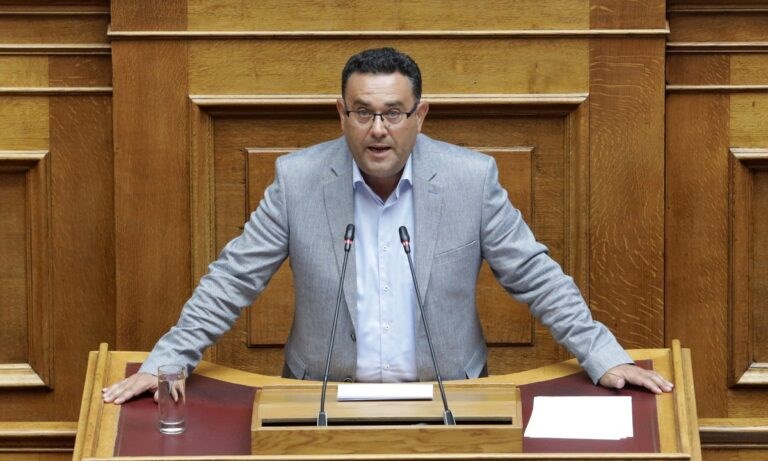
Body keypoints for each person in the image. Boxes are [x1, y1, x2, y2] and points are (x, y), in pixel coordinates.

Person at [103, 47, 673, 404]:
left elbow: (536, 276)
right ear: (342, 114)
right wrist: (169, 360)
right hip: (322, 401)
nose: (378, 129)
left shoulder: (471, 179)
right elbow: (233, 278)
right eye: (363, 112)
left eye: (394, 113)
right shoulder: (298, 180)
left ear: (419, 115)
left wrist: (602, 354)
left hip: (447, 399)